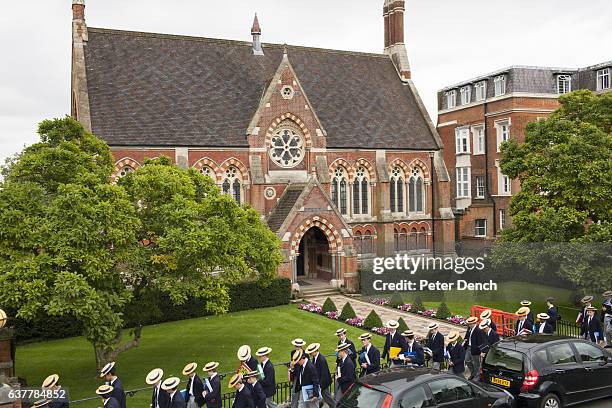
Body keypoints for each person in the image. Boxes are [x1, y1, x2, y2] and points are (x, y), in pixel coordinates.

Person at [305, 343, 334, 408]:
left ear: (315, 351)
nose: (310, 354)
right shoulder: (315, 358)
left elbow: (324, 374)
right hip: (320, 384)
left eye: (311, 352)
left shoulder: (321, 359)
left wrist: (320, 386)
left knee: (329, 400)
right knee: (327, 399)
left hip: (323, 384)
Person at [463, 316, 488, 381]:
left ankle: (477, 377)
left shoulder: (479, 330)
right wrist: (465, 339)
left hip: (476, 349)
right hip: (468, 347)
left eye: (469, 324)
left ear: (473, 323)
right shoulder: (469, 328)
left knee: (477, 364)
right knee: (467, 360)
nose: (468, 325)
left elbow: (482, 341)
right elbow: (467, 336)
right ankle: (473, 373)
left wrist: (481, 351)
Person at [289, 339, 306, 408]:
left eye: (299, 346)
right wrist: (292, 368)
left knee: (303, 394)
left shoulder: (305, 354)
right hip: (296, 376)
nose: (297, 347)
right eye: (296, 346)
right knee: (294, 393)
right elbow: (293, 363)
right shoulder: (292, 352)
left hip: (303, 377)